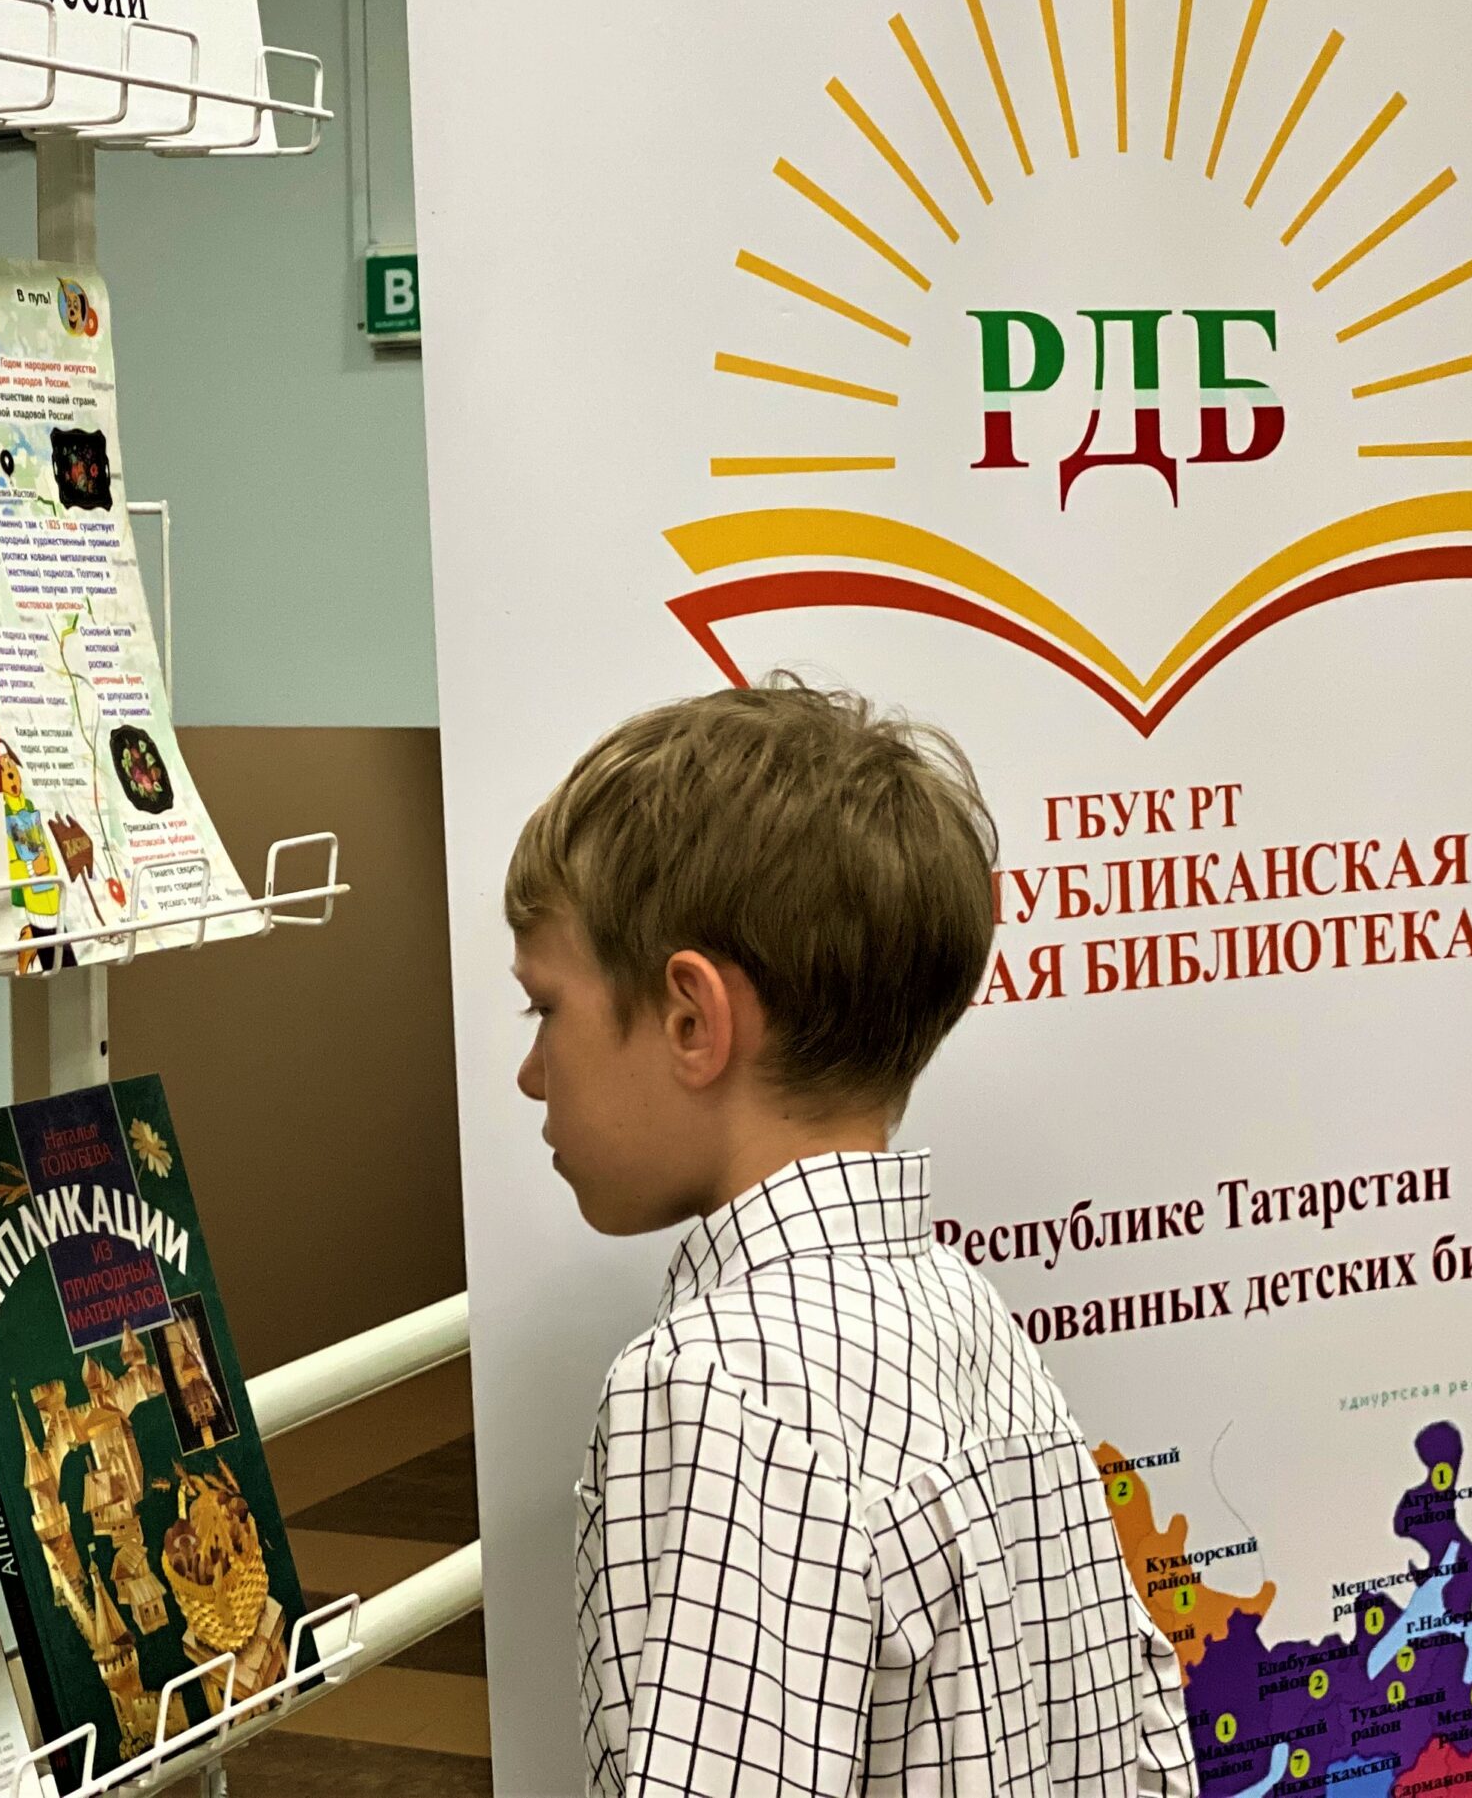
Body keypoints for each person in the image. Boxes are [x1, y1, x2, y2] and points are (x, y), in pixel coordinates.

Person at [507, 680, 1190, 1797]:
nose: (532, 1073)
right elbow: (1141, 1738)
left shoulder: (719, 1388)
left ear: (691, 1019)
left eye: (546, 1009)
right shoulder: (969, 1316)